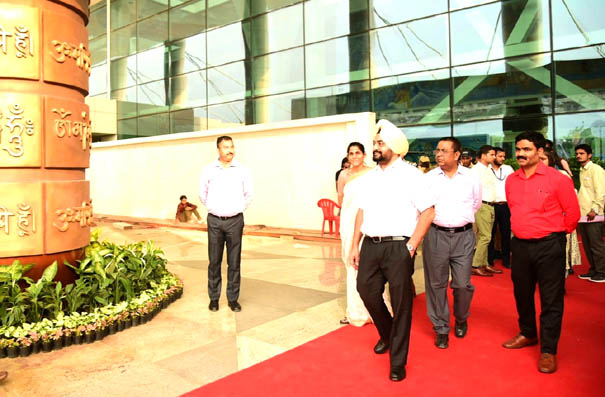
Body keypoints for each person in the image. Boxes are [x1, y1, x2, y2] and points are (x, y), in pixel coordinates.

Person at [349, 119, 435, 382]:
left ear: (395, 148)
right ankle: (387, 334)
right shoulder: (369, 177)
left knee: (402, 305)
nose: (375, 147)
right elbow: (361, 211)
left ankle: (398, 361)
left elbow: (428, 212)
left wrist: (411, 246)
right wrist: (354, 244)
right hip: (370, 246)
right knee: (366, 290)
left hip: (399, 246)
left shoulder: (412, 176)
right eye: (375, 143)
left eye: (380, 143)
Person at [502, 131, 580, 374]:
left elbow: (573, 214)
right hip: (521, 246)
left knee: (551, 299)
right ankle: (527, 333)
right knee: (521, 294)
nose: (521, 154)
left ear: (539, 152)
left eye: (526, 149)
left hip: (549, 246)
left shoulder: (558, 180)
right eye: (518, 149)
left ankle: (548, 349)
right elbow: (514, 210)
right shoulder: (511, 180)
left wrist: (554, 234)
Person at [423, 137, 481, 349]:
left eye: (444, 151)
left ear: (457, 155)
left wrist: (458, 221)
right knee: (436, 284)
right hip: (436, 235)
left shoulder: (471, 177)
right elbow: (423, 207)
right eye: (437, 150)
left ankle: (461, 317)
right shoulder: (428, 178)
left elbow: (476, 203)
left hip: (463, 236)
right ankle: (441, 327)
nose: (438, 154)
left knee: (462, 284)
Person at [199, 135, 253, 312]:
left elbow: (248, 194)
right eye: (225, 147)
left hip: (235, 221)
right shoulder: (208, 170)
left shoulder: (242, 170)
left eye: (232, 147)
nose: (230, 150)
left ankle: (232, 299)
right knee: (214, 261)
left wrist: (236, 209)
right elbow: (202, 194)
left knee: (234, 262)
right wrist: (215, 208)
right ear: (218, 150)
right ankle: (214, 298)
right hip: (214, 221)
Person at [337, 142, 374, 326]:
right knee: (351, 266)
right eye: (351, 153)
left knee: (367, 265)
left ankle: (373, 310)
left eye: (357, 153)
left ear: (364, 155)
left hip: (367, 223)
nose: (354, 156)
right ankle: (355, 311)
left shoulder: (372, 173)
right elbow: (341, 200)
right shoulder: (343, 175)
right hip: (347, 224)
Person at [539, 150, 582, 276]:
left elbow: (571, 202)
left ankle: (560, 282)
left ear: (550, 160)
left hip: (559, 223)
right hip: (540, 224)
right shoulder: (531, 176)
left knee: (559, 256)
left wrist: (566, 226)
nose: (540, 162)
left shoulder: (561, 175)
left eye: (543, 159)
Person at [575, 144, 605, 283]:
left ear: (589, 155)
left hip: (594, 214)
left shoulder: (596, 170)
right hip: (583, 214)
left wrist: (595, 209)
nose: (578, 156)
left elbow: (601, 191)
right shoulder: (582, 170)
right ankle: (594, 269)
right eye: (577, 153)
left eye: (581, 153)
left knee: (596, 245)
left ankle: (602, 272)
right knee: (587, 245)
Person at [471, 145, 502, 276]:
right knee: (485, 236)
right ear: (483, 156)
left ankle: (484, 264)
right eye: (491, 154)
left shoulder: (488, 169)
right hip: (482, 205)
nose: (494, 157)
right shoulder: (476, 170)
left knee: (486, 236)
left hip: (490, 205)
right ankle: (475, 265)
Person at [488, 147, 514, 268]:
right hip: (491, 205)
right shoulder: (486, 170)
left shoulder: (508, 169)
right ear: (493, 156)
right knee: (490, 234)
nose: (503, 159)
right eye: (500, 156)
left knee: (506, 233)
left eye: (504, 156)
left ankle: (506, 259)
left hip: (505, 206)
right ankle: (489, 260)